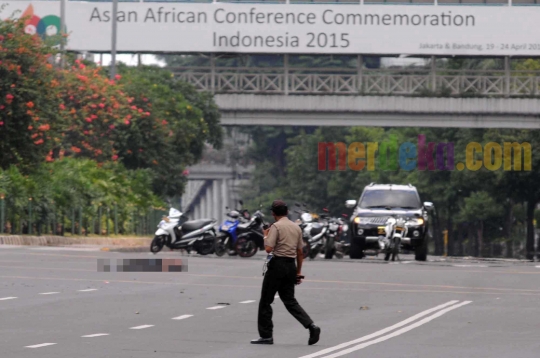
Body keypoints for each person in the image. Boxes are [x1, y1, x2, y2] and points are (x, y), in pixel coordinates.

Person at [251, 200, 321, 346]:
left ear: (273, 213)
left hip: (277, 265)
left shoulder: (276, 227)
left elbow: (269, 249)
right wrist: (298, 272)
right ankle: (311, 326)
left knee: (266, 301)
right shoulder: (296, 228)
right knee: (290, 301)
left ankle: (266, 336)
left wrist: (265, 235)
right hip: (291, 266)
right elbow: (300, 252)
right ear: (287, 212)